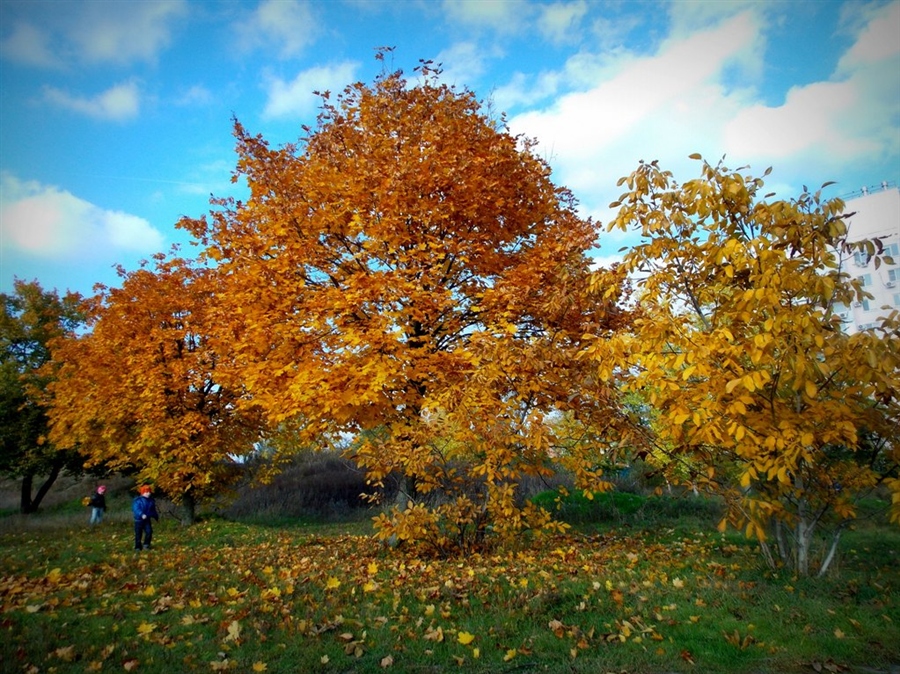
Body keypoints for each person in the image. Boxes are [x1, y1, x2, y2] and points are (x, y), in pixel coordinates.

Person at [132, 485, 159, 551]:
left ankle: (146, 545)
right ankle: (138, 547)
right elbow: (136, 509)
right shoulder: (138, 500)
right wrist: (141, 514)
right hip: (138, 520)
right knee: (138, 534)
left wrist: (156, 516)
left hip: (147, 520)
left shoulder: (151, 501)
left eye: (149, 492)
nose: (148, 493)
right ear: (143, 492)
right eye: (146, 492)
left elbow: (153, 510)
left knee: (149, 532)